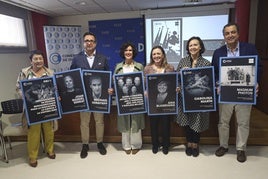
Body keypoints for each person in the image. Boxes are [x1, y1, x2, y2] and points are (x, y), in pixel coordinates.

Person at [212, 22, 260, 163]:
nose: (230, 35)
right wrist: (217, 84)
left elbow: (259, 67)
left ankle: (241, 149)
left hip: (244, 92)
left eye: (233, 32)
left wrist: (255, 82)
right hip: (225, 93)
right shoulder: (218, 52)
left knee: (243, 122)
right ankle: (223, 146)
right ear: (224, 36)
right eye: (227, 33)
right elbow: (214, 72)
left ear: (238, 34)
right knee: (223, 122)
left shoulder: (249, 49)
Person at [70, 32, 109, 158]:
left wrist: (109, 89)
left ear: (95, 43)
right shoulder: (77, 58)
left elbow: (108, 75)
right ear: (83, 43)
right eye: (87, 40)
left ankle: (99, 143)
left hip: (99, 97)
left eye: (91, 40)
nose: (89, 43)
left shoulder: (102, 58)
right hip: (84, 97)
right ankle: (85, 145)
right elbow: (72, 75)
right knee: (84, 123)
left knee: (99, 121)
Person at [16, 50, 57, 167]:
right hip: (32, 108)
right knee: (33, 133)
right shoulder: (24, 73)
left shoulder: (50, 72)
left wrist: (56, 96)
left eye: (41, 58)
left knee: (49, 131)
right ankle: (33, 156)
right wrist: (24, 96)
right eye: (36, 59)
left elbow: (54, 88)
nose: (39, 61)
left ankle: (50, 150)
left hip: (47, 106)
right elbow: (18, 87)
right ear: (31, 61)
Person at [175, 36, 211, 157]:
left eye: (195, 45)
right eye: (190, 45)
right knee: (187, 121)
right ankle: (188, 143)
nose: (193, 47)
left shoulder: (206, 62)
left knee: (197, 121)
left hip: (199, 97)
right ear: (188, 48)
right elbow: (177, 78)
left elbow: (208, 80)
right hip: (184, 98)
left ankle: (195, 144)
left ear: (200, 47)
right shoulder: (183, 61)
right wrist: (179, 85)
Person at [113, 42, 145, 155]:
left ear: (133, 52)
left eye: (130, 50)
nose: (128, 52)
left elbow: (143, 83)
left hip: (136, 99)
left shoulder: (139, 66)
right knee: (124, 121)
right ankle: (126, 145)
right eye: (126, 50)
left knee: (135, 121)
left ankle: (136, 145)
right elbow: (114, 83)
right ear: (123, 52)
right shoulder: (118, 67)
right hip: (123, 100)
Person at [144, 45, 174, 154]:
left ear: (163, 55)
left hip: (166, 102)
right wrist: (145, 91)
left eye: (158, 54)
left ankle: (166, 145)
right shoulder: (147, 69)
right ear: (152, 56)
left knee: (166, 124)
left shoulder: (170, 68)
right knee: (153, 125)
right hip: (152, 102)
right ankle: (155, 144)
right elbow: (144, 85)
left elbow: (172, 83)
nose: (156, 56)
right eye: (154, 54)